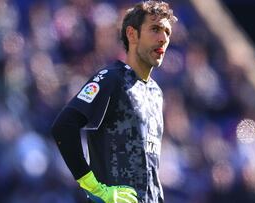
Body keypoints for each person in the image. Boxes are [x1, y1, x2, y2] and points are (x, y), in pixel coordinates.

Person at [51, 1, 177, 203]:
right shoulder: (112, 79)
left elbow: (150, 168)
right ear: (132, 34)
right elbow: (63, 127)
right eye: (155, 29)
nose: (163, 38)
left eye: (167, 32)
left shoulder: (156, 92)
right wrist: (96, 189)